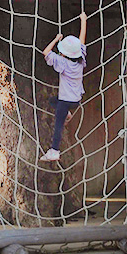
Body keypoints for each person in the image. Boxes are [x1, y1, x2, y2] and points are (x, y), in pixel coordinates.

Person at [40, 12, 87, 162]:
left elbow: (46, 52)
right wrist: (83, 21)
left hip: (65, 101)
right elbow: (82, 40)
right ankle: (67, 113)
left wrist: (56, 39)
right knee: (54, 102)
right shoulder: (81, 61)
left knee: (58, 125)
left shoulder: (62, 62)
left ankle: (54, 150)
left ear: (64, 53)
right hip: (76, 100)